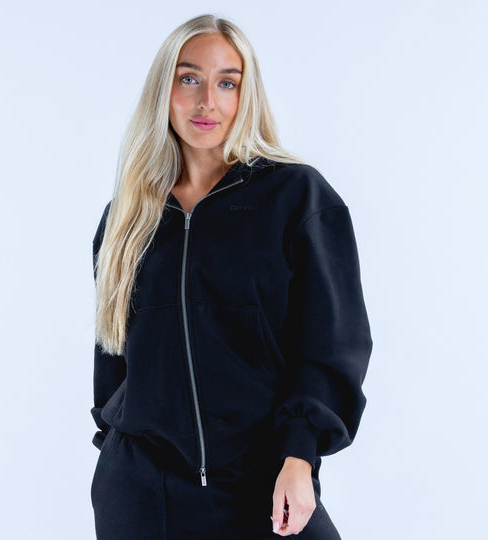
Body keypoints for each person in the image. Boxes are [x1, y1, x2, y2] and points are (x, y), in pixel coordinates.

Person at [90, 13, 373, 540]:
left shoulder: (295, 197)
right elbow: (115, 356)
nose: (207, 102)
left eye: (227, 83)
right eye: (188, 78)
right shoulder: (127, 217)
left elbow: (331, 345)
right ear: (163, 89)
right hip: (142, 494)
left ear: (248, 95)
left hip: (262, 483)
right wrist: (112, 446)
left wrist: (300, 456)